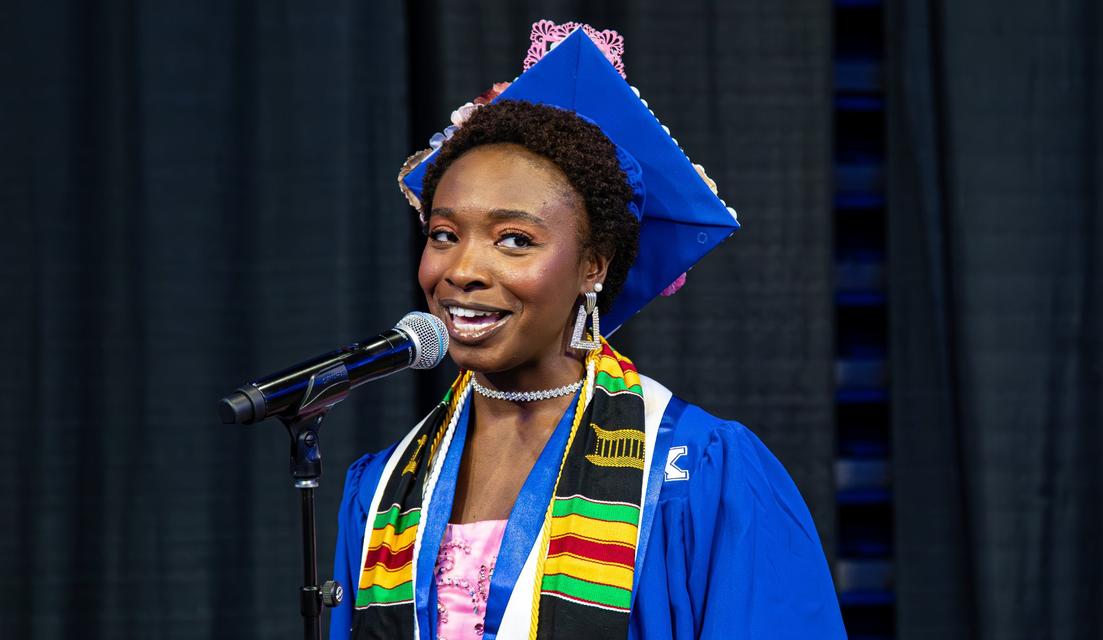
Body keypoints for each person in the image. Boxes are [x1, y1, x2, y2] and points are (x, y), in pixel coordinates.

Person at [331, 22, 846, 640]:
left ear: (593, 265)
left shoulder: (698, 470)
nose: (462, 270)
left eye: (514, 240)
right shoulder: (387, 486)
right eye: (444, 235)